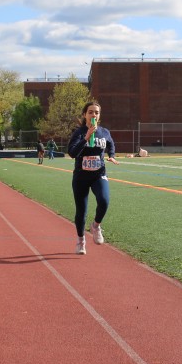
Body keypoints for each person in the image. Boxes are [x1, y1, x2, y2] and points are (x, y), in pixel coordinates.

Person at [68, 101, 119, 255]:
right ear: (85, 115)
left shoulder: (104, 132)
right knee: (81, 212)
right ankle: (81, 241)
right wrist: (86, 137)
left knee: (104, 200)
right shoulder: (79, 132)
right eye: (90, 112)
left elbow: (110, 144)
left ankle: (96, 226)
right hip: (81, 177)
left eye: (96, 112)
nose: (93, 115)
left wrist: (112, 155)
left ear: (99, 115)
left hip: (99, 174)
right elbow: (72, 153)